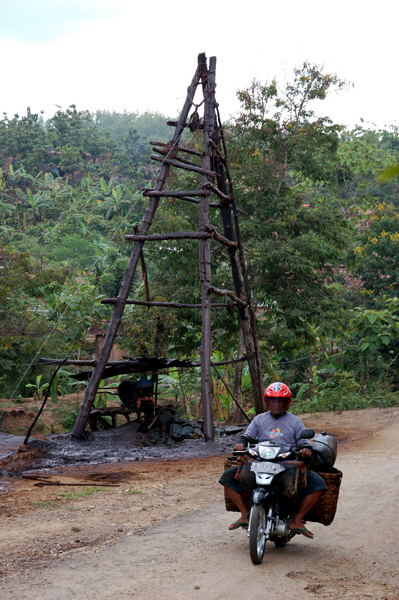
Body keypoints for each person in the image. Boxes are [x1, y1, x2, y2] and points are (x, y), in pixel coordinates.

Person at [219, 382, 327, 538]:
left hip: (286, 463)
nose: (276, 404)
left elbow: (304, 444)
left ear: (287, 402)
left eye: (280, 400)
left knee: (318, 484)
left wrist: (306, 450)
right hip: (260, 461)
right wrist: (241, 443)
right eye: (272, 400)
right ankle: (245, 515)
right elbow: (246, 436)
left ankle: (297, 521)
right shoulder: (259, 419)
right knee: (227, 476)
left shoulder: (295, 422)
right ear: (267, 402)